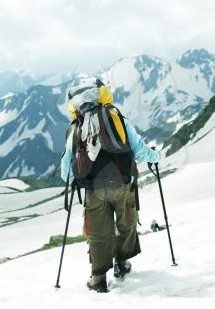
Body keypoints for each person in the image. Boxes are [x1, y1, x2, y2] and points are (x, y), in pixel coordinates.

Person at [61, 80, 159, 293]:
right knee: (126, 223)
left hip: (93, 190)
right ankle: (122, 264)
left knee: (98, 233)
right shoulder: (115, 118)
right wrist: (155, 156)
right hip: (121, 183)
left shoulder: (75, 129)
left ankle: (98, 279)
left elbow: (65, 172)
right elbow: (139, 149)